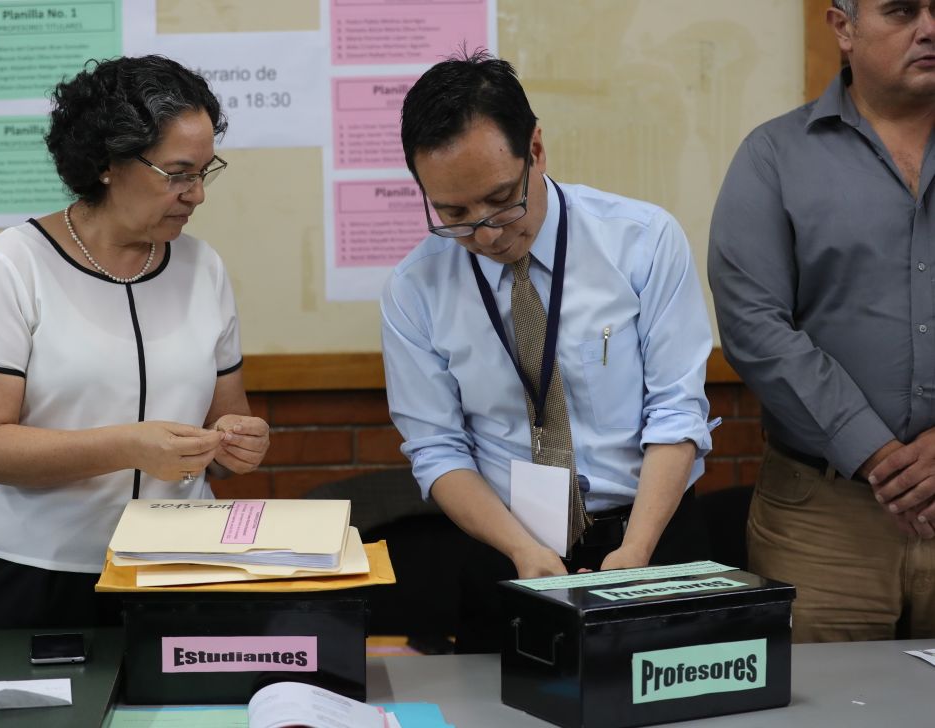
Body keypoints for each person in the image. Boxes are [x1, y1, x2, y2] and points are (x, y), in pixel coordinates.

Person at [381, 50, 717, 653]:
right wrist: (521, 550)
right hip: (507, 550)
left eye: (501, 198)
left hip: (652, 534)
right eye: (453, 213)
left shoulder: (641, 241)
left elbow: (676, 410)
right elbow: (436, 449)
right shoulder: (415, 289)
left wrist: (636, 552)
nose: (485, 233)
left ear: (535, 150)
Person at [0, 55, 270, 629]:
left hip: (182, 566)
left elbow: (226, 425)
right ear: (107, 163)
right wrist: (127, 446)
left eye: (205, 170)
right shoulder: (12, 265)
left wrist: (238, 443)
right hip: (39, 575)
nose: (196, 194)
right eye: (177, 173)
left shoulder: (203, 267)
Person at [709, 0, 935, 642]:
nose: (930, 28)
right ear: (843, 28)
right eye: (900, 11)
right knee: (825, 707)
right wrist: (874, 450)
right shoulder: (775, 157)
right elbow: (754, 325)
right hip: (824, 522)